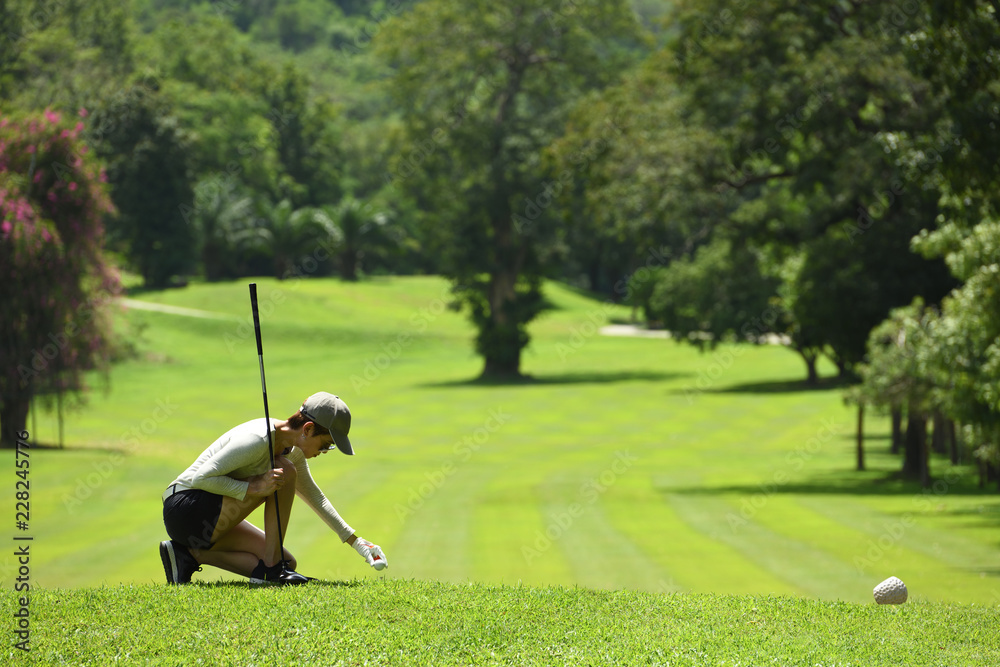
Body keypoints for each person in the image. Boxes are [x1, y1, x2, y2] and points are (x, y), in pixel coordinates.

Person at [158, 392, 387, 585]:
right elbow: (200, 478)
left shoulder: (292, 451)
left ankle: (188, 555)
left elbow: (315, 497)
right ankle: (271, 569)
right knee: (283, 472)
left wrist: (357, 542)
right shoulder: (258, 439)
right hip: (184, 509)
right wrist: (253, 486)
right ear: (307, 429)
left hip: (207, 520)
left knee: (288, 563)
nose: (325, 451)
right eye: (326, 444)